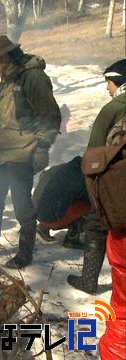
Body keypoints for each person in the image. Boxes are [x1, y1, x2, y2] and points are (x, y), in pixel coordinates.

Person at [0, 35, 61, 269]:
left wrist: (42, 148)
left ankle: (25, 253)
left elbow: (50, 116)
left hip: (23, 154)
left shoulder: (33, 78)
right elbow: (3, 118)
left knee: (22, 206)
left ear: (8, 56)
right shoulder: (7, 79)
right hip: (0, 153)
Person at [68, 59, 126, 295]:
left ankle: (89, 280)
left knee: (96, 224)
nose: (107, 88)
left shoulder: (112, 109)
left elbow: (94, 151)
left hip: (114, 180)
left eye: (109, 83)